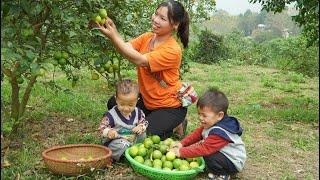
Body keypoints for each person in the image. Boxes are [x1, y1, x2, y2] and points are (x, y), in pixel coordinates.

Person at [91, 0, 191, 139]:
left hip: (169, 106)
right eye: (156, 14)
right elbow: (126, 48)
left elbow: (139, 60)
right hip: (147, 101)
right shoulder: (148, 37)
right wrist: (112, 31)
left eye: (162, 18)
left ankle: (175, 125)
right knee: (114, 103)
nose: (155, 20)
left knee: (144, 135)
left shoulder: (172, 50)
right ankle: (154, 119)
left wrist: (113, 35)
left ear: (174, 25)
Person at [169, 88, 246, 180]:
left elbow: (204, 149)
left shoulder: (220, 132)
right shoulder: (212, 122)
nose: (200, 118)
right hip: (223, 155)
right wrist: (182, 143)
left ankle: (222, 174)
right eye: (199, 114)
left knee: (209, 155)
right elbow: (197, 134)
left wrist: (181, 152)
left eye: (204, 115)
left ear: (219, 115)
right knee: (206, 153)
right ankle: (216, 168)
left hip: (233, 162)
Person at [98, 79, 148, 161]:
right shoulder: (111, 115)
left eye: (131, 105)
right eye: (122, 104)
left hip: (132, 138)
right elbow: (102, 127)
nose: (126, 108)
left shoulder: (138, 113)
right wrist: (109, 131)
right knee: (121, 145)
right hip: (116, 141)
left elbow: (144, 122)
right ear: (116, 99)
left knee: (143, 134)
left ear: (137, 101)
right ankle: (124, 155)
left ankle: (134, 149)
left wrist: (141, 126)